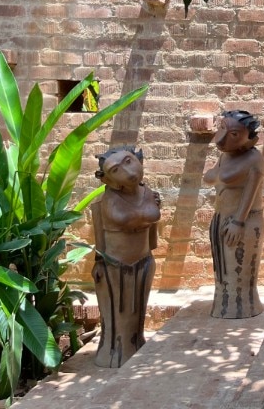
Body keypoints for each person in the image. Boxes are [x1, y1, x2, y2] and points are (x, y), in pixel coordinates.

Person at [90, 147, 161, 368]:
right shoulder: (110, 198)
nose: (128, 172)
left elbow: (150, 218)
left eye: (129, 162)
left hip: (143, 262)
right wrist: (148, 212)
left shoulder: (147, 192)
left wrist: (148, 212)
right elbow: (125, 218)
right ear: (108, 180)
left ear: (139, 160)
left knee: (137, 312)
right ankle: (116, 354)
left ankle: (136, 345)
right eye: (116, 170)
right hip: (116, 267)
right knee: (119, 314)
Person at [203, 110, 264, 319]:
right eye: (222, 129)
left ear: (249, 137)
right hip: (220, 219)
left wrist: (238, 221)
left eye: (234, 134)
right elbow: (209, 177)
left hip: (243, 222)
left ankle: (243, 307)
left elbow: (251, 192)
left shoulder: (254, 159)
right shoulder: (226, 156)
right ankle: (223, 306)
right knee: (222, 269)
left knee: (238, 270)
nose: (222, 139)